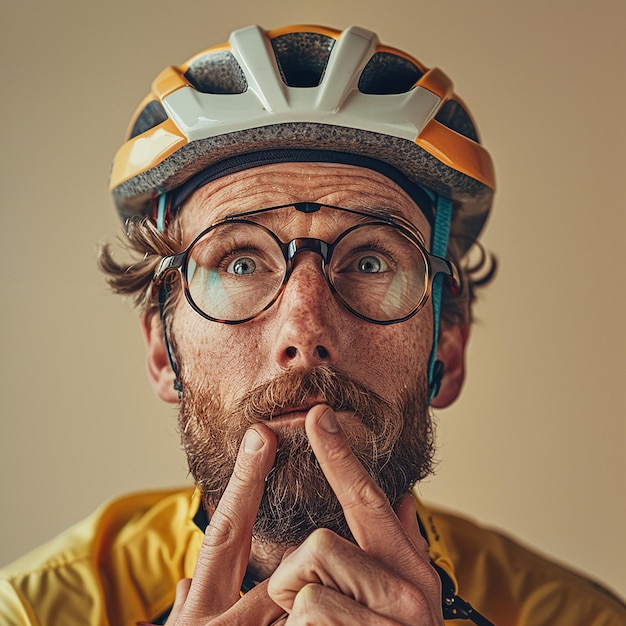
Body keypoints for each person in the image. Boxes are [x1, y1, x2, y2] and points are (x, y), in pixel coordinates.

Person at [1, 24, 624, 626]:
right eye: (240, 260)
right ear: (165, 353)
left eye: (372, 261)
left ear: (448, 352)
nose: (304, 331)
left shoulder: (579, 619)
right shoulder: (30, 612)